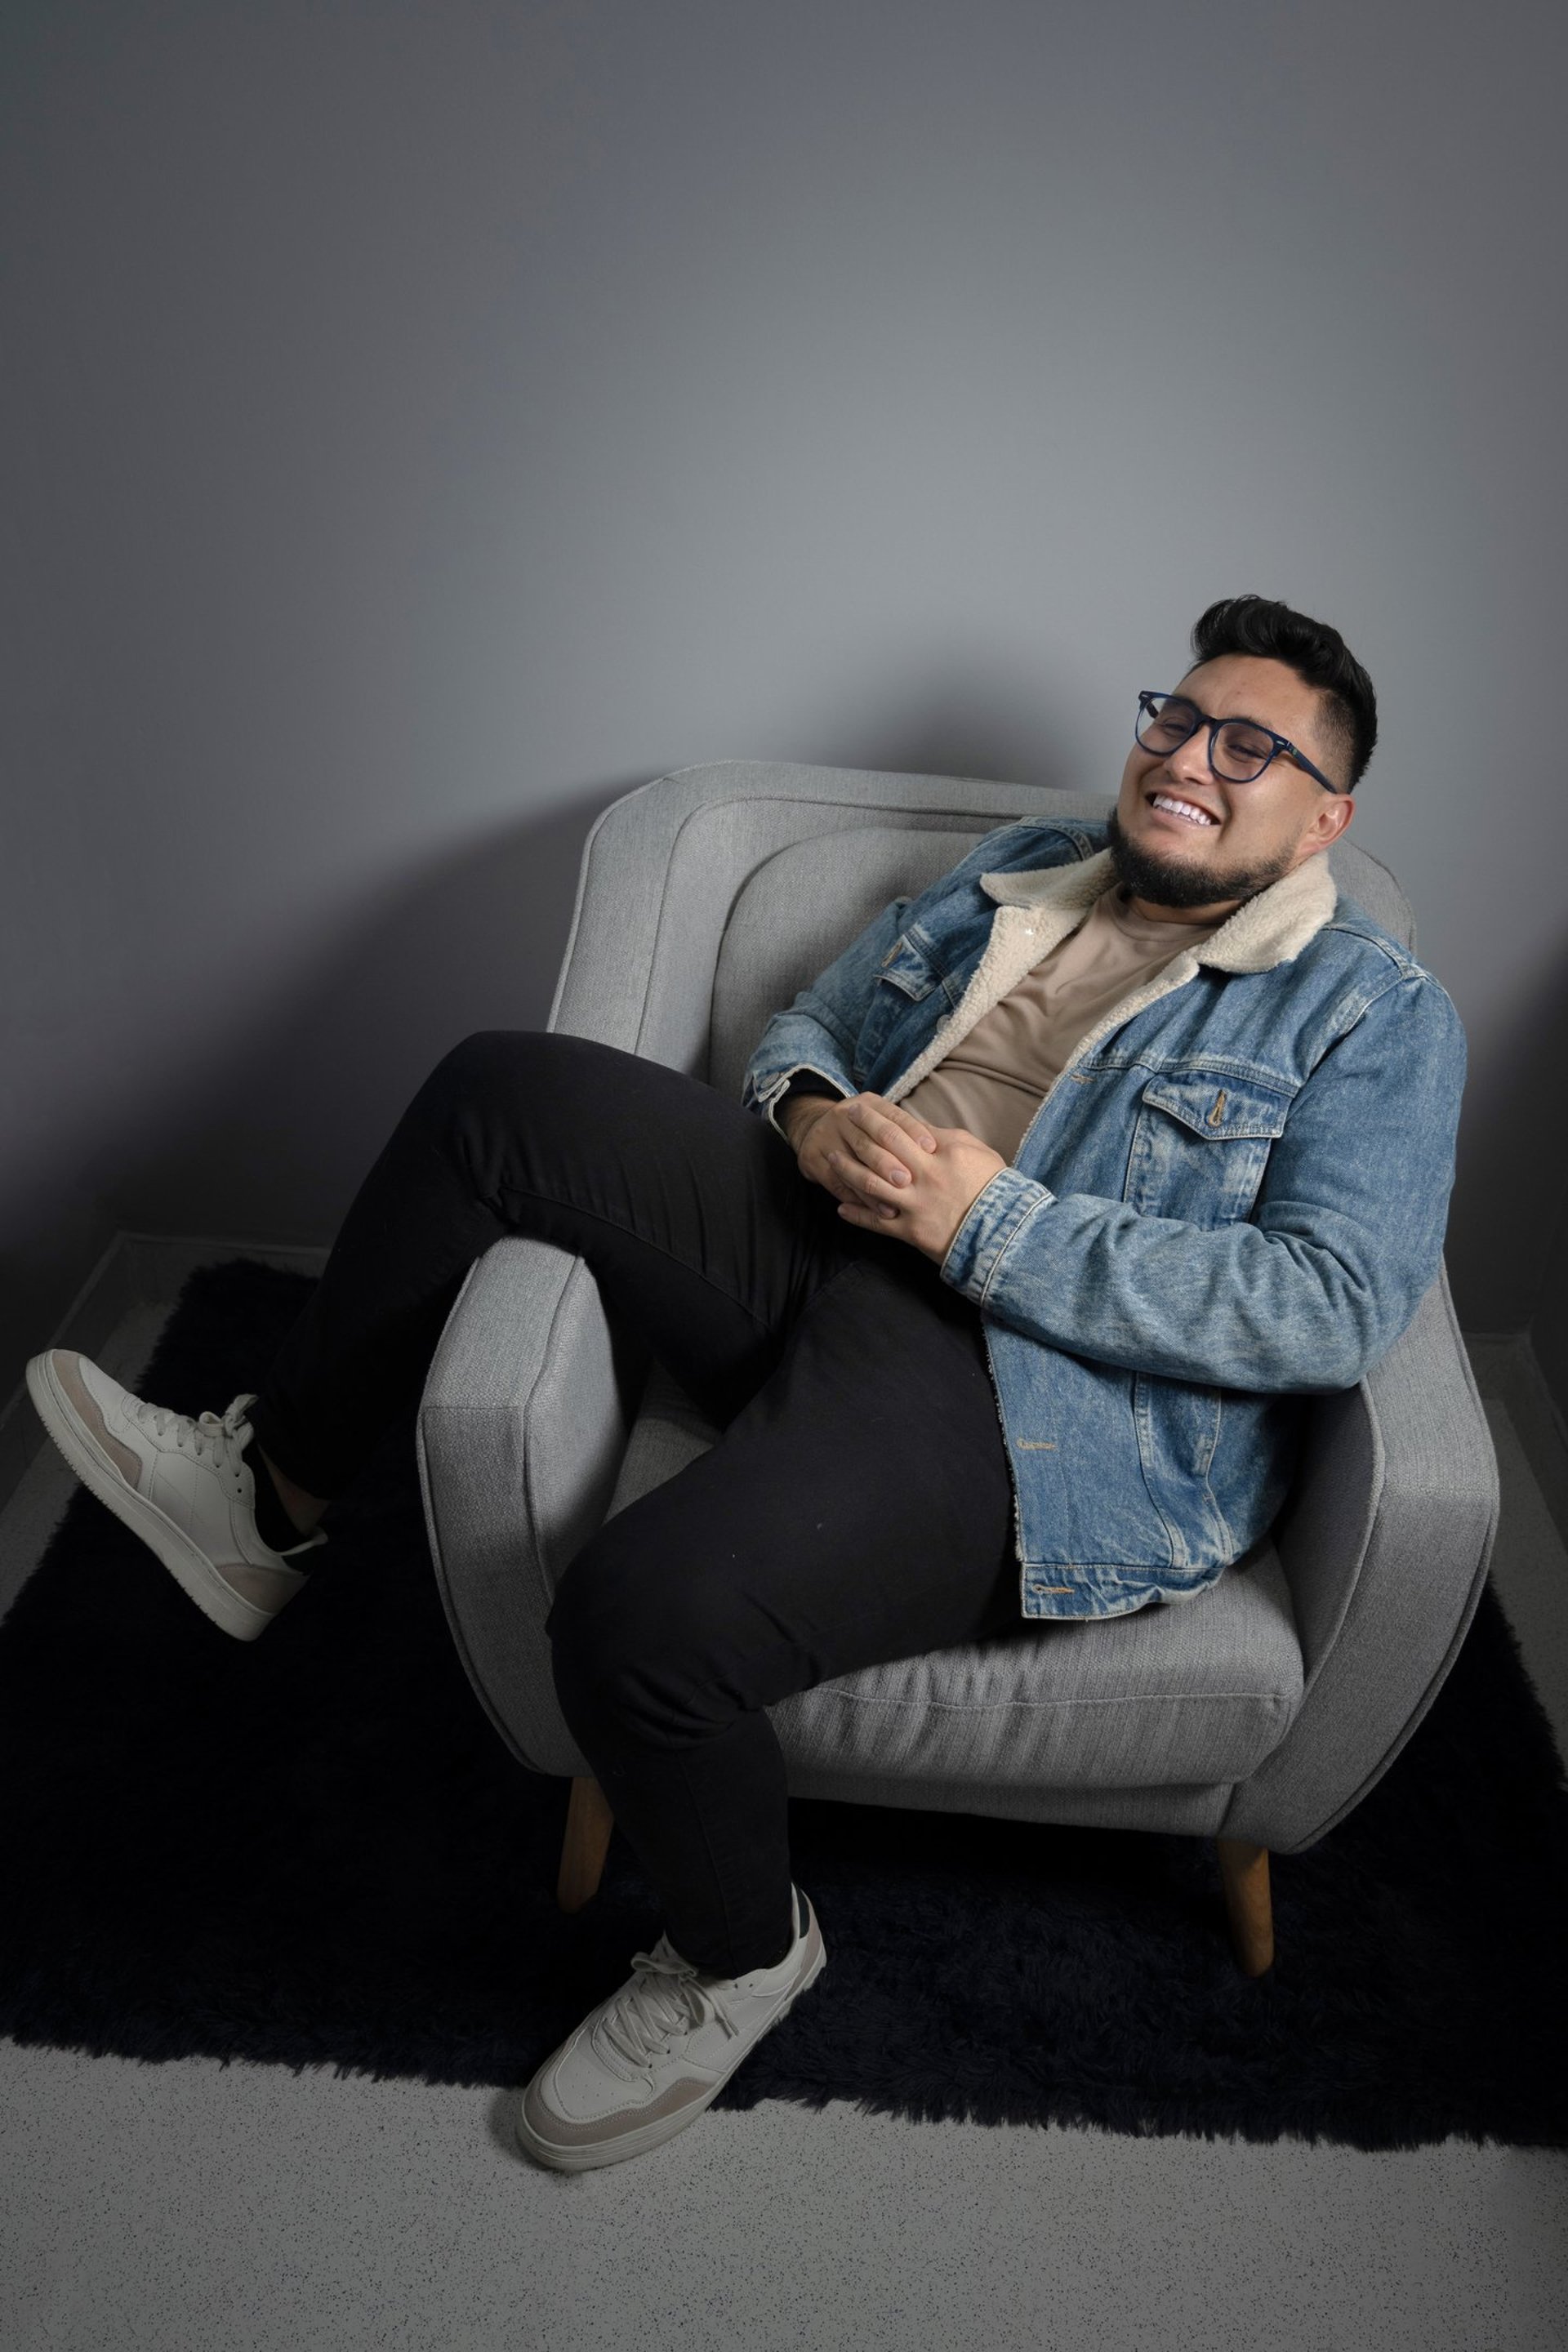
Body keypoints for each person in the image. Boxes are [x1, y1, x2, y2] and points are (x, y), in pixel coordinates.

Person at [24, 594, 1467, 2173]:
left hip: (1029, 1392)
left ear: (1325, 814)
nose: (1189, 757)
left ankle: (737, 1955)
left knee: (639, 1615)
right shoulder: (1026, 869)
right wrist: (807, 1108)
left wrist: (990, 1221)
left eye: (1249, 746)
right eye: (1175, 718)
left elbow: (1327, 1305)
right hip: (823, 1235)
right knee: (494, 1090)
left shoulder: (1374, 1011)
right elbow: (815, 1022)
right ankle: (268, 1500)